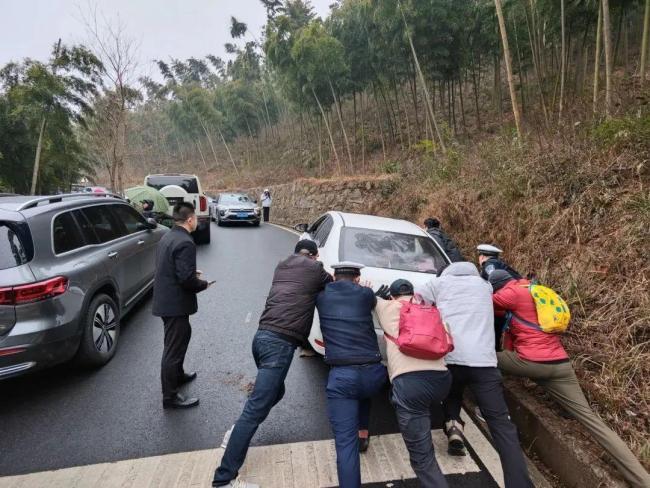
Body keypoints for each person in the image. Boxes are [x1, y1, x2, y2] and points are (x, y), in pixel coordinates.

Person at [489, 270, 650, 488]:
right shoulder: (536, 290)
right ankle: (642, 480)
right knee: (593, 422)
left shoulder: (511, 293)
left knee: (483, 357)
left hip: (532, 362)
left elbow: (482, 302)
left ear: (498, 285)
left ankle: (486, 403)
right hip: (560, 365)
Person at [212, 240, 332, 488]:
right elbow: (332, 285)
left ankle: (236, 433)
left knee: (277, 391)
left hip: (261, 338)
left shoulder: (282, 265)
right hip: (280, 344)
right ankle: (224, 480)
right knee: (255, 410)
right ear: (315, 255)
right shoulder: (315, 268)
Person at [418, 262, 533, 488]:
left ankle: (452, 426)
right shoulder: (485, 286)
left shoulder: (438, 284)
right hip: (484, 364)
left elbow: (418, 302)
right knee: (501, 425)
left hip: (450, 359)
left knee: (451, 393)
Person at [316, 262, 388, 488]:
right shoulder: (366, 294)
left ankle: (357, 440)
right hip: (374, 374)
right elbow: (373, 299)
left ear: (334, 277)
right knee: (362, 389)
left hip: (342, 376)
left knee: (344, 445)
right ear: (357, 278)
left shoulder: (321, 297)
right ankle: (363, 433)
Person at [375, 279, 451, 488]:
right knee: (420, 410)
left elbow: (367, 298)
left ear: (392, 295)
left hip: (410, 383)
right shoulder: (431, 310)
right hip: (442, 380)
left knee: (422, 457)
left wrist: (377, 296)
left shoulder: (387, 307)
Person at [152, 202, 210, 409]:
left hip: (166, 299)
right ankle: (170, 397)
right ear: (189, 219)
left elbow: (170, 267)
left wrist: (188, 274)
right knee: (173, 349)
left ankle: (178, 375)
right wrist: (203, 284)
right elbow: (186, 280)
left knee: (182, 337)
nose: (196, 221)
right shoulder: (186, 242)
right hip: (174, 304)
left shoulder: (168, 236)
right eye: (195, 217)